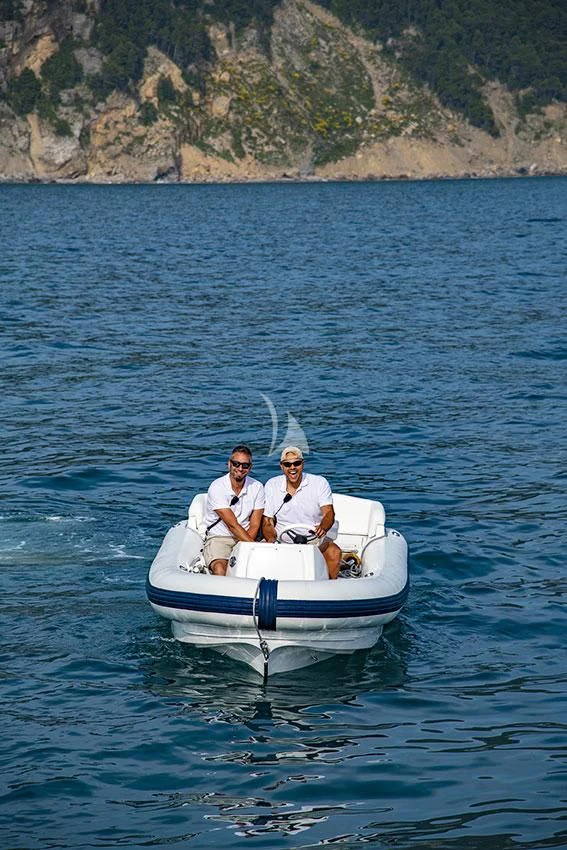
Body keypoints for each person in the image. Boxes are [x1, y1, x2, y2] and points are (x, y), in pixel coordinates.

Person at [262, 446, 341, 579]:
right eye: (287, 464)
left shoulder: (319, 483)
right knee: (259, 551)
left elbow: (328, 513)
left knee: (334, 552)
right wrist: (271, 539)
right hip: (282, 542)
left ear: (302, 464)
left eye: (296, 463)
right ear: (282, 466)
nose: (292, 467)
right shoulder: (272, 485)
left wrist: (323, 527)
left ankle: (329, 588)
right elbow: (267, 521)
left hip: (314, 541)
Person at [203, 444, 265, 576]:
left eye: (245, 465)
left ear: (250, 468)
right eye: (236, 464)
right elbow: (232, 524)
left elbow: (255, 523)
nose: (240, 468)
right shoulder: (217, 487)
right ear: (229, 464)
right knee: (220, 569)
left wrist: (247, 545)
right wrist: (252, 547)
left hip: (247, 535)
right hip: (220, 537)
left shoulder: (257, 487)